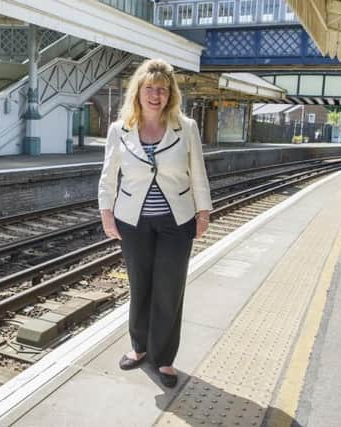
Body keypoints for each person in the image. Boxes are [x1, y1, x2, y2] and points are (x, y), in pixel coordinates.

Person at [98, 58, 212, 388]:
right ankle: (139, 347)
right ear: (138, 91)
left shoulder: (186, 127)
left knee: (169, 288)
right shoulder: (119, 130)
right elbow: (108, 177)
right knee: (140, 285)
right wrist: (107, 213)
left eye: (162, 89)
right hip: (133, 221)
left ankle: (163, 359)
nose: (156, 94)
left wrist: (203, 211)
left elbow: (199, 173)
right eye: (149, 88)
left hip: (177, 221)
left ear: (170, 94)